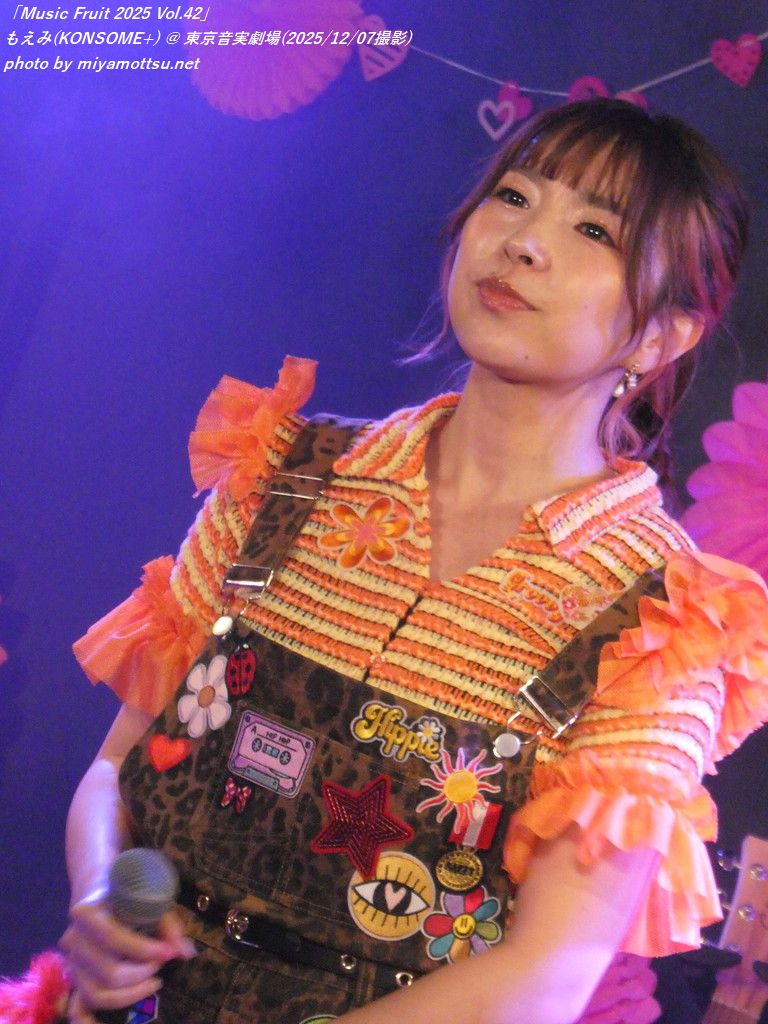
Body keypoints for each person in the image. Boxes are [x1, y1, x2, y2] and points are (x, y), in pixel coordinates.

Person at [60, 99, 768, 1024]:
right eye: (514, 196)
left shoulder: (660, 615)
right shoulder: (287, 471)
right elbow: (119, 765)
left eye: (594, 230)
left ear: (663, 335)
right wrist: (97, 901)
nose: (523, 243)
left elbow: (544, 979)